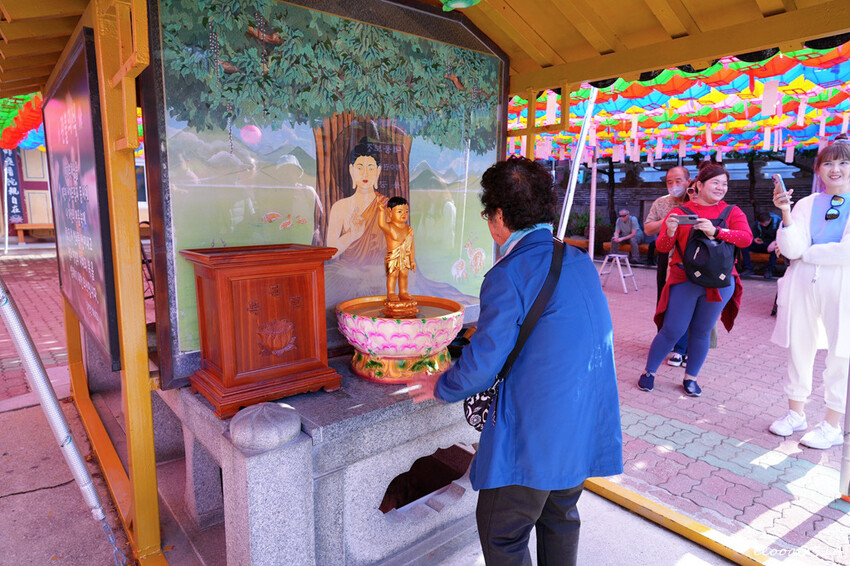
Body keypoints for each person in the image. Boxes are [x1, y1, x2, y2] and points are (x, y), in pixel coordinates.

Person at [410, 156, 622, 566]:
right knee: (560, 519)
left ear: (499, 216)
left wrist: (441, 384)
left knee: (501, 532)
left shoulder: (510, 272)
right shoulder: (578, 261)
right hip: (581, 425)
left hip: (534, 435)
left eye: (489, 214)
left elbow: (484, 364)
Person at [638, 163, 753, 397]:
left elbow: (745, 239)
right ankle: (649, 372)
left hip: (720, 282)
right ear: (699, 185)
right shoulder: (679, 212)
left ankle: (691, 378)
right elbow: (662, 247)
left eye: (724, 184)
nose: (721, 188)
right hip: (685, 279)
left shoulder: (732, 212)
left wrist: (717, 232)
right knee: (672, 329)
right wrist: (669, 231)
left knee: (702, 331)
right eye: (715, 183)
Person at [768, 138, 850, 449]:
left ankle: (832, 423)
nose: (836, 169)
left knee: (841, 353)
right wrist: (787, 213)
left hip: (843, 286)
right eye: (828, 163)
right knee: (799, 346)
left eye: (843, 162)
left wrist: (811, 253)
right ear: (818, 170)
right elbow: (792, 250)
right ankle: (795, 413)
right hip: (802, 283)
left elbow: (846, 254)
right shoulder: (806, 203)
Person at [644, 166, 692, 367]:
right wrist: (667, 221)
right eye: (669, 182)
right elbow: (647, 229)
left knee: (690, 302)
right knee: (666, 301)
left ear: (689, 181)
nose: (674, 185)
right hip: (667, 256)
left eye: (679, 180)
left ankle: (687, 348)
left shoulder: (697, 201)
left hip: (693, 258)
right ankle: (669, 344)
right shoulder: (661, 203)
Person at [378, 196, 416, 301]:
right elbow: (381, 224)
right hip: (393, 256)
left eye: (406, 211)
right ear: (390, 212)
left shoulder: (408, 229)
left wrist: (412, 260)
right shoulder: (389, 227)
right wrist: (381, 211)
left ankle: (403, 291)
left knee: (404, 275)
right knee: (393, 275)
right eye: (400, 211)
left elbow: (411, 246)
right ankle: (391, 292)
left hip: (405, 257)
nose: (404, 214)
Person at [740, 211, 782, 279]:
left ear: (770, 220)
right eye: (761, 223)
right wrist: (754, 239)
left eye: (765, 224)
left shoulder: (778, 222)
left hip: (772, 245)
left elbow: (783, 235)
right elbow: (751, 234)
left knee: (775, 250)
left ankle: (769, 270)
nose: (763, 225)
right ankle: (748, 269)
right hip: (762, 244)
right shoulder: (757, 223)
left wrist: (775, 242)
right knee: (744, 245)